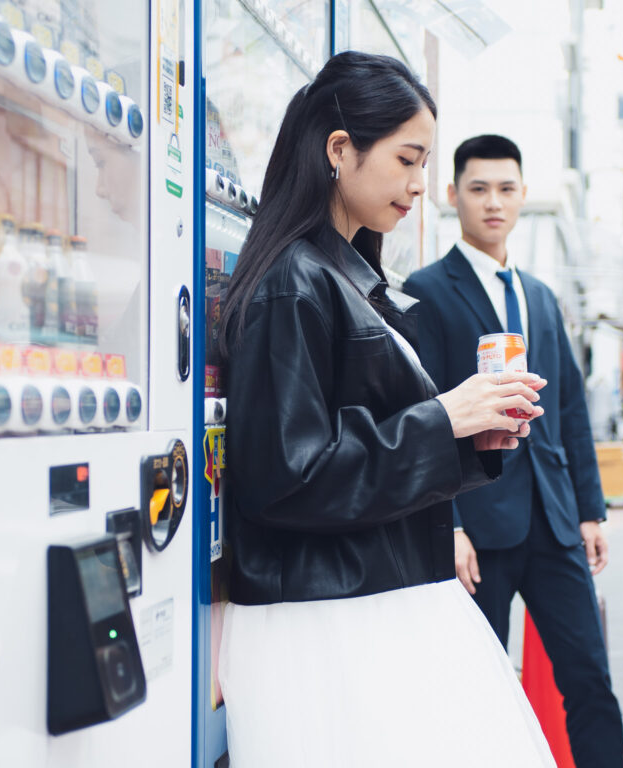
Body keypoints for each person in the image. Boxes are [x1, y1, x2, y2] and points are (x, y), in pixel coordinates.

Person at [218, 53, 555, 767]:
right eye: (407, 159)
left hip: (368, 601)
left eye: (424, 161)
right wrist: (447, 419)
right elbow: (286, 476)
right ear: (341, 150)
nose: (418, 183)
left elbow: (351, 458)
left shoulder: (345, 277)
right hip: (331, 623)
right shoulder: (296, 282)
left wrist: (474, 436)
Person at [403, 134, 623, 768]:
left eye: (506, 189)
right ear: (453, 196)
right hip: (476, 527)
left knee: (589, 680)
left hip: (554, 522)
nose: (493, 202)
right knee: (477, 691)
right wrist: (445, 523)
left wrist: (591, 510)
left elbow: (570, 413)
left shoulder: (540, 296)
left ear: (524, 196)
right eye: (478, 189)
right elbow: (422, 415)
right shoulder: (426, 291)